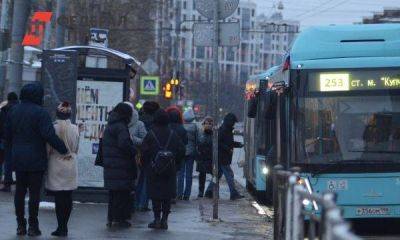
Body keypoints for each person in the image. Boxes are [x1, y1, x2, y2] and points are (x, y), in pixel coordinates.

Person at [4, 83, 68, 236]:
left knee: (19, 191)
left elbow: (6, 135)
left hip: (18, 157)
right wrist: (63, 149)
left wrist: (13, 150)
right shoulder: (41, 113)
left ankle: (20, 224)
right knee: (34, 193)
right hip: (36, 159)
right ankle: (33, 225)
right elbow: (49, 135)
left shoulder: (13, 111)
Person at [141, 109, 185, 230]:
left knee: (155, 195)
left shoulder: (151, 134)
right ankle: (165, 220)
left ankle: (156, 219)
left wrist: (146, 165)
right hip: (170, 170)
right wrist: (176, 163)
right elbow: (182, 150)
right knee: (167, 195)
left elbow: (144, 151)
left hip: (154, 168)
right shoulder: (173, 134)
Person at [46, 102, 80, 237]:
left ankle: (60, 227)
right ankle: (65, 226)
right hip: (71, 162)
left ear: (57, 113)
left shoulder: (53, 128)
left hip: (55, 163)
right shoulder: (75, 128)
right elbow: (76, 148)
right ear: (70, 114)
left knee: (59, 196)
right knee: (68, 195)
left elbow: (48, 148)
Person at [102, 103, 137, 228]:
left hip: (112, 165)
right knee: (121, 194)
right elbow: (124, 144)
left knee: (113, 195)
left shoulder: (111, 124)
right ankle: (119, 219)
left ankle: (111, 218)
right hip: (121, 165)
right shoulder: (121, 126)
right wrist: (133, 150)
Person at [204, 113, 244, 201]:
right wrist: (227, 148)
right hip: (223, 157)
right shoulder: (224, 130)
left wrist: (239, 144)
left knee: (217, 175)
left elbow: (229, 143)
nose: (234, 124)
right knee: (229, 174)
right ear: (230, 122)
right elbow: (219, 142)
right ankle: (233, 193)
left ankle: (209, 191)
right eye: (233, 122)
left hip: (223, 156)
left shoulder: (227, 129)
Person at [135, 101, 159, 211]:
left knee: (138, 178)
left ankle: (136, 202)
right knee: (146, 179)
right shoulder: (156, 121)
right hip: (150, 152)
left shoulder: (139, 120)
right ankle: (143, 203)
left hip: (139, 152)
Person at [124, 102, 147, 212]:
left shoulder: (139, 124)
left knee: (136, 181)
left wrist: (133, 139)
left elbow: (145, 141)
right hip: (123, 157)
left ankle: (135, 203)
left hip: (136, 157)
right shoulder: (121, 123)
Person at [177, 108, 199, 200]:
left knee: (180, 174)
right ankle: (187, 194)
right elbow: (198, 140)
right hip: (191, 152)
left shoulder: (181, 127)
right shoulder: (195, 127)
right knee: (189, 174)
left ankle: (179, 193)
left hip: (181, 152)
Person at [0, 92, 19, 192]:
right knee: (19, 161)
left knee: (7, 162)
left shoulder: (4, 109)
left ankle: (7, 183)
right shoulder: (20, 109)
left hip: (6, 139)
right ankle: (21, 182)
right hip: (19, 140)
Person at [196, 116, 214, 198]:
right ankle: (201, 191)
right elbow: (198, 144)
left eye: (210, 124)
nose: (208, 125)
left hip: (210, 158)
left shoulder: (214, 134)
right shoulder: (200, 133)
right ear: (204, 124)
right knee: (202, 175)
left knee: (214, 175)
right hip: (202, 157)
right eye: (207, 123)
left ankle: (211, 191)